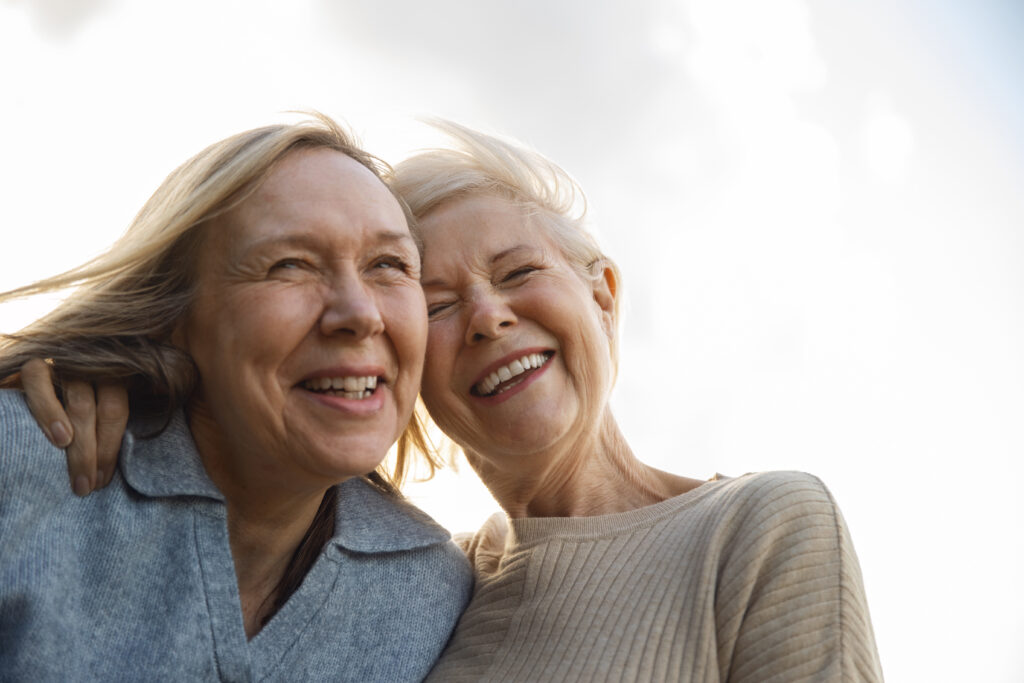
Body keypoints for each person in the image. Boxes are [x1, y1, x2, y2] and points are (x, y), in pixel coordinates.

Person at [21, 121, 884, 681]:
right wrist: (106, 373)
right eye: (434, 301)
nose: (487, 316)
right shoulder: (442, 581)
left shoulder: (763, 525)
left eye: (518, 272)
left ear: (606, 296)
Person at [0, 116, 471, 681]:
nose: (361, 314)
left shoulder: (431, 593)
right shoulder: (22, 469)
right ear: (176, 317)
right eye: (289, 265)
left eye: (388, 266)